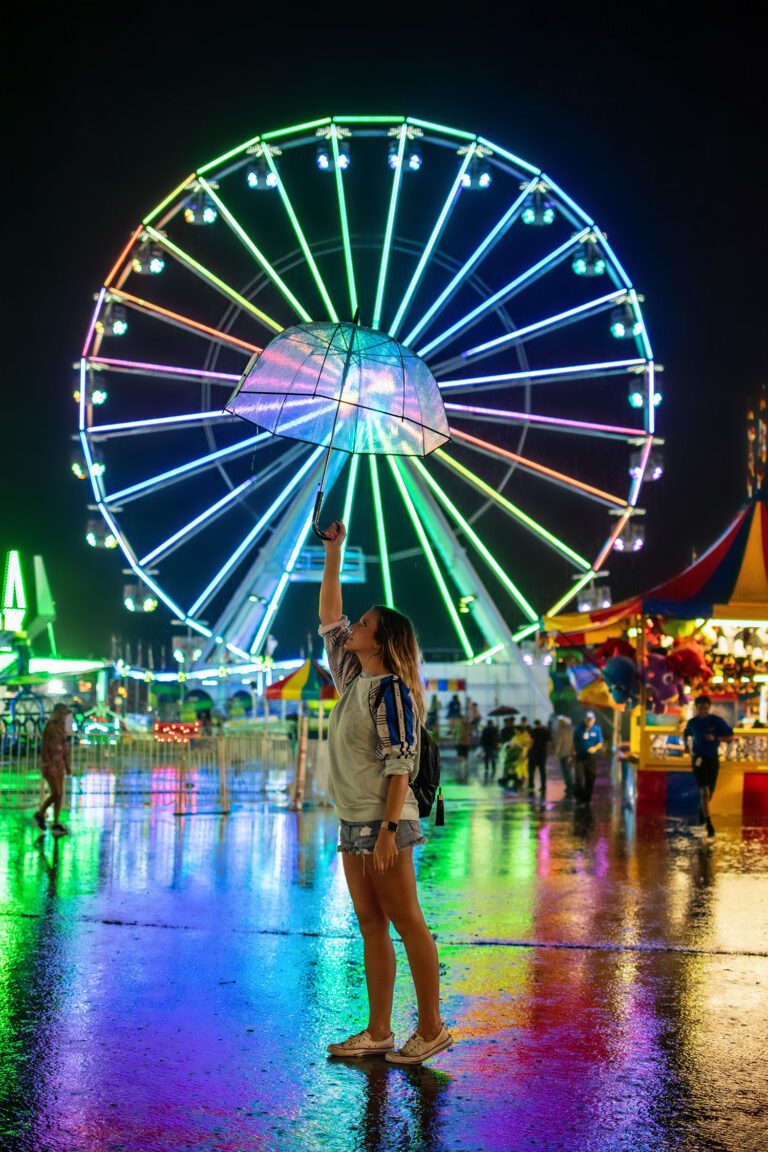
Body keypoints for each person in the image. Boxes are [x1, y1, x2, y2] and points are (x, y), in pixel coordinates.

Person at [318, 519, 453, 1065]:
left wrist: (390, 831)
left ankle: (432, 1027)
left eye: (365, 622)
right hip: (354, 819)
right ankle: (378, 1031)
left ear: (382, 639)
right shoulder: (353, 680)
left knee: (407, 921)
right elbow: (330, 617)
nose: (354, 625)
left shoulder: (392, 691)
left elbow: (402, 763)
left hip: (384, 820)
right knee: (371, 924)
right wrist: (335, 551)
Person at [683, 694, 734, 837]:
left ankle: (702, 812)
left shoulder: (717, 721)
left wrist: (716, 738)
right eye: (700, 708)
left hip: (712, 760)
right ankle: (709, 823)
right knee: (704, 791)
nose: (703, 711)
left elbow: (731, 738)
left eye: (705, 708)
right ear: (696, 708)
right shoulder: (692, 723)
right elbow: (686, 733)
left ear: (709, 707)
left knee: (709, 792)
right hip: (698, 760)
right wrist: (687, 747)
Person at [34, 702, 72, 835]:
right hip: (50, 764)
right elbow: (44, 747)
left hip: (59, 764)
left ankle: (56, 822)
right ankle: (40, 813)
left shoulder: (62, 727)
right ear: (57, 713)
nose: (64, 716)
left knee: (59, 794)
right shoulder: (49, 727)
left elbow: (65, 747)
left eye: (65, 714)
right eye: (62, 713)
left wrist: (67, 765)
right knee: (56, 792)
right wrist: (46, 763)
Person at [573, 710, 604, 805]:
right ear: (584, 719)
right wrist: (573, 753)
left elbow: (600, 743)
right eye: (587, 720)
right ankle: (579, 797)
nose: (589, 722)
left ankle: (587, 799)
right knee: (579, 778)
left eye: (590, 720)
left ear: (594, 720)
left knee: (591, 778)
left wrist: (595, 748)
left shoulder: (597, 729)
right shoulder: (579, 729)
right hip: (580, 757)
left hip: (591, 758)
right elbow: (574, 742)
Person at [551, 715, 575, 798]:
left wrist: (556, 753)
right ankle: (571, 786)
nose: (557, 725)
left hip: (564, 754)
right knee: (570, 771)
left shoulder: (561, 732)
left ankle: (569, 787)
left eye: (558, 723)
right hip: (571, 754)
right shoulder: (571, 730)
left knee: (566, 772)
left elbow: (559, 743)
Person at [527, 718, 550, 795]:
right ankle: (543, 786)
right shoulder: (545, 731)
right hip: (542, 753)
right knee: (542, 770)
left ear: (535, 724)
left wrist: (527, 752)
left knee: (531, 770)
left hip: (533, 753)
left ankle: (531, 785)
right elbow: (549, 742)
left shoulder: (532, 732)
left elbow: (530, 742)